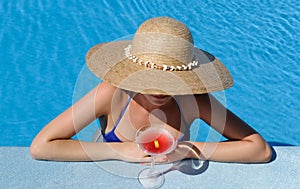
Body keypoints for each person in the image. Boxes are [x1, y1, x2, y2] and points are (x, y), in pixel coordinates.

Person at [30, 17, 272, 163]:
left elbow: (259, 150)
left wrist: (191, 150)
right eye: (150, 79)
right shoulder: (112, 94)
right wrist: (118, 150)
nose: (159, 90)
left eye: (171, 81)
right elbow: (42, 145)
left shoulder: (194, 100)